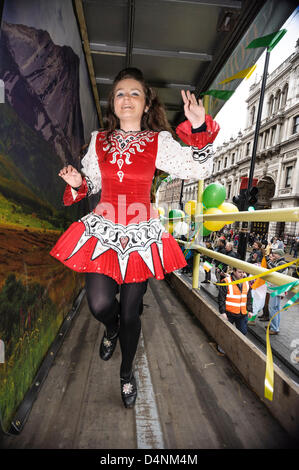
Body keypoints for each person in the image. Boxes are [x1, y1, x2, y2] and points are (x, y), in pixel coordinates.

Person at [50, 67, 219, 408]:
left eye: (135, 93)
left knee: (131, 312)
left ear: (146, 104)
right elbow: (91, 185)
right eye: (120, 93)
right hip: (104, 230)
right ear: (113, 103)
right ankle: (110, 330)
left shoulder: (159, 141)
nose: (127, 99)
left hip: (141, 234)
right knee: (99, 304)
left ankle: (126, 372)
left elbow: (198, 169)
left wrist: (200, 126)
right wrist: (77, 185)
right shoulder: (99, 140)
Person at [218, 267, 253, 335]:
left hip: (242, 313)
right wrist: (222, 312)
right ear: (234, 271)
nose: (242, 274)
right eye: (239, 272)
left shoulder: (246, 282)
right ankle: (220, 345)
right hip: (229, 313)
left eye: (243, 272)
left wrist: (250, 310)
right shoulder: (226, 281)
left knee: (242, 333)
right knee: (224, 332)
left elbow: (248, 298)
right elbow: (221, 298)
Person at [266, 248, 288, 335]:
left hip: (276, 289)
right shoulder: (278, 262)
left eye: (274, 254)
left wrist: (269, 261)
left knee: (273, 309)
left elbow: (276, 270)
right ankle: (274, 326)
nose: (273, 255)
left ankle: (274, 328)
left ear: (279, 255)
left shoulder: (282, 263)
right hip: (276, 288)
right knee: (276, 308)